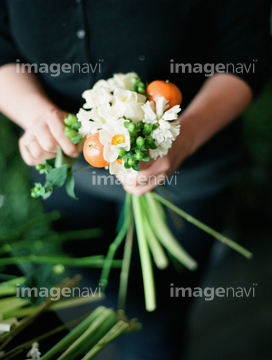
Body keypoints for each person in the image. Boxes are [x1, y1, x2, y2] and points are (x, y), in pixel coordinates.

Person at [0, 0, 271, 359]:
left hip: (186, 176)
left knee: (154, 321)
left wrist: (182, 138)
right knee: (106, 290)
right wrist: (38, 118)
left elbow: (245, 54)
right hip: (72, 174)